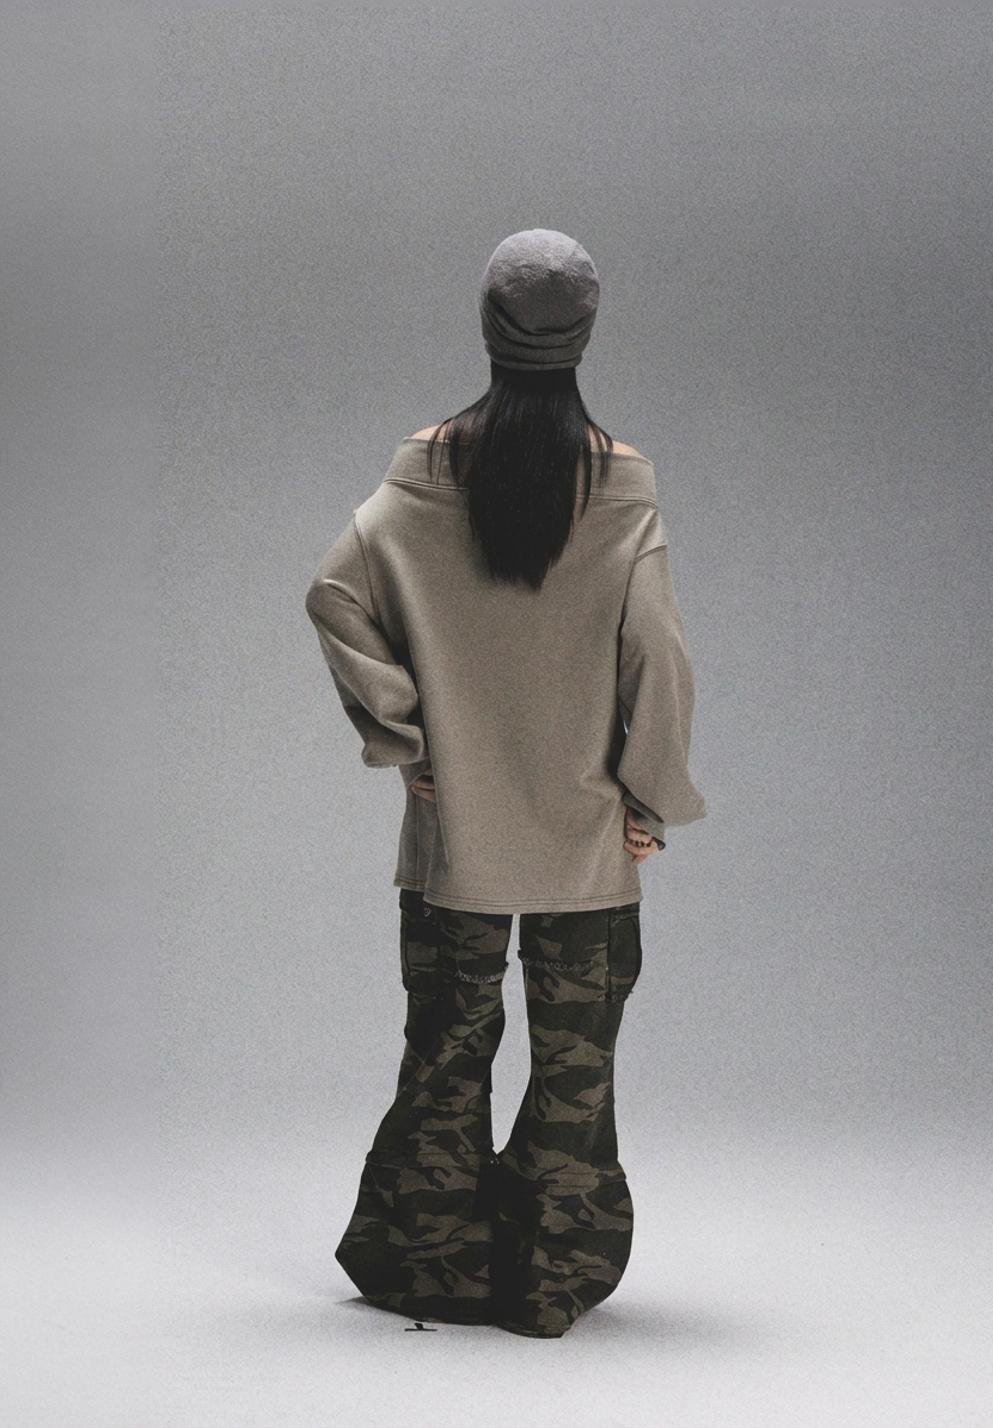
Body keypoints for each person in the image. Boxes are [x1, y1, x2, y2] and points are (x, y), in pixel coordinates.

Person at [305, 227, 707, 1338]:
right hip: (586, 829)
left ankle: (431, 1267)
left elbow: (333, 595)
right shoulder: (620, 480)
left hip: (457, 826)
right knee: (578, 1072)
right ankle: (550, 1277)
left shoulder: (423, 469)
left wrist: (409, 738)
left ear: (487, 325)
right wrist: (646, 799)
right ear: (586, 331)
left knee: (446, 1050)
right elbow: (659, 655)